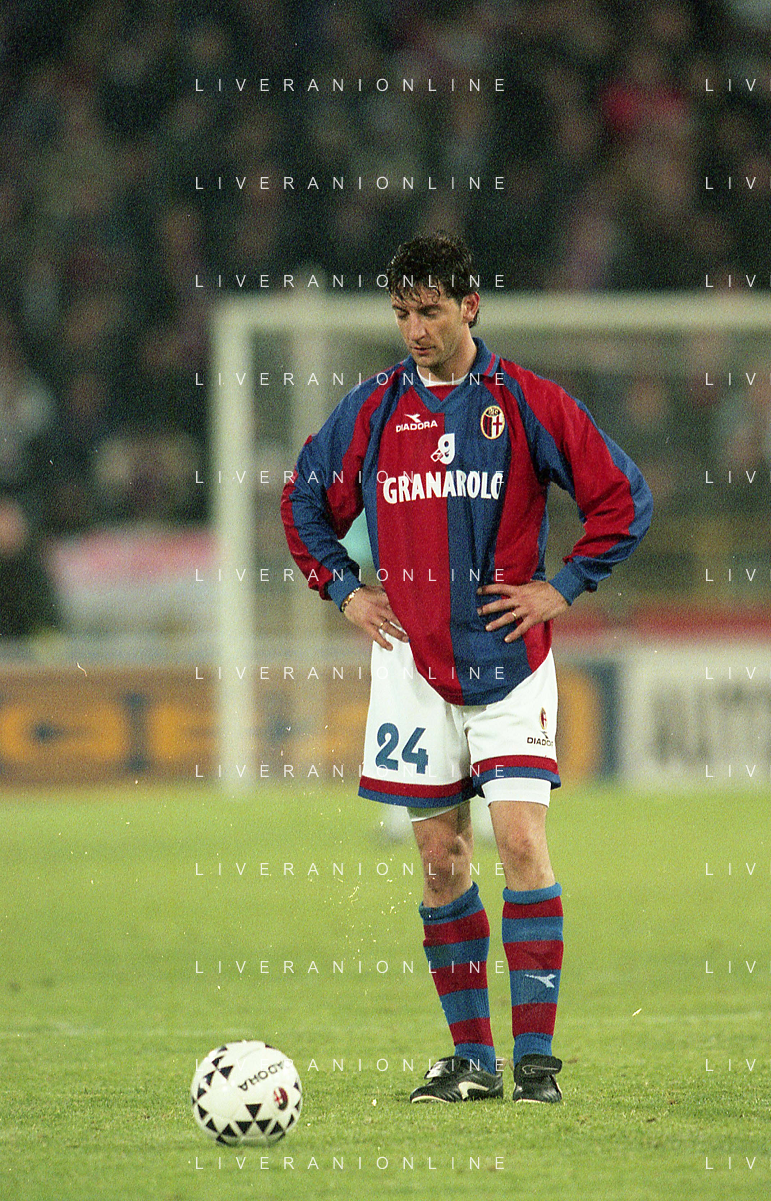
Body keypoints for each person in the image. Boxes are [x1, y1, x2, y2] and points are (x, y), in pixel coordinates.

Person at [281, 231, 652, 1104]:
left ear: (469, 305)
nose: (415, 329)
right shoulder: (373, 410)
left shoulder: (524, 401)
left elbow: (622, 497)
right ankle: (473, 1061)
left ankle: (536, 1062)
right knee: (442, 860)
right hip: (410, 665)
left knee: (519, 840)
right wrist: (342, 588)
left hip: (508, 660)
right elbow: (303, 501)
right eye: (401, 313)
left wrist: (562, 586)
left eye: (430, 310)